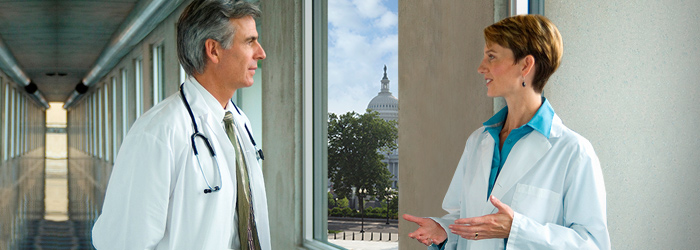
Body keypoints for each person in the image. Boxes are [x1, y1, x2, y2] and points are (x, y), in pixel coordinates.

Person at [403, 14, 610, 249]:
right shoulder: (478, 141)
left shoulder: (574, 151)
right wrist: (444, 231)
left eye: (491, 57)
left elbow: (593, 244)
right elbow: (465, 219)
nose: (481, 68)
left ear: (525, 65)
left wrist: (517, 229)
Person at [92, 1, 270, 249]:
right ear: (214, 50)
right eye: (250, 41)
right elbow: (122, 242)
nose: (260, 52)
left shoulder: (238, 121)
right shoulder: (158, 131)